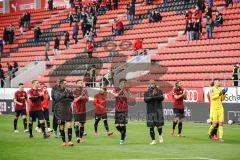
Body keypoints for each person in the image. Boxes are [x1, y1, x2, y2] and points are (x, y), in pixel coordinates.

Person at [51, 79, 74, 146]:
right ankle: (64, 141)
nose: (66, 84)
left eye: (66, 83)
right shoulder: (56, 91)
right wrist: (64, 96)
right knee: (61, 126)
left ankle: (69, 141)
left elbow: (72, 99)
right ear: (61, 84)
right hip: (60, 111)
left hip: (68, 110)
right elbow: (56, 99)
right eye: (64, 83)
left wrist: (67, 97)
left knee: (69, 125)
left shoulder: (69, 90)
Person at [144, 80, 164, 145]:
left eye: (153, 83)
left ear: (155, 84)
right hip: (150, 111)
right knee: (151, 126)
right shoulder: (147, 91)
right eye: (151, 83)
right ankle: (153, 140)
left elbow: (162, 97)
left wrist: (154, 96)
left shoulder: (159, 91)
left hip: (158, 110)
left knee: (159, 126)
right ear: (149, 84)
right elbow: (146, 99)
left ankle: (160, 135)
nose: (152, 84)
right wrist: (152, 96)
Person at [112, 79, 131, 145]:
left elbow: (128, 97)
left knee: (122, 125)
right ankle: (123, 133)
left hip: (124, 109)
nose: (124, 84)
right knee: (117, 125)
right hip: (117, 109)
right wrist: (121, 90)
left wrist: (123, 90)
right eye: (123, 83)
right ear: (120, 83)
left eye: (125, 83)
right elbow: (115, 96)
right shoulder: (116, 89)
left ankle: (122, 140)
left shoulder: (127, 90)